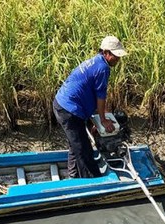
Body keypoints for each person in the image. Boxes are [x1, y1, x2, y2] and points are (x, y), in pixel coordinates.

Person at [53, 36, 128, 178]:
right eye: (115, 55)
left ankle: (73, 175)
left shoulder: (96, 61)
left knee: (75, 143)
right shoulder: (103, 68)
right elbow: (100, 96)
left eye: (119, 56)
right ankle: (92, 180)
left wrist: (100, 117)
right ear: (105, 52)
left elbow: (92, 94)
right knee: (83, 148)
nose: (117, 59)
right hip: (68, 109)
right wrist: (103, 120)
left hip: (65, 104)